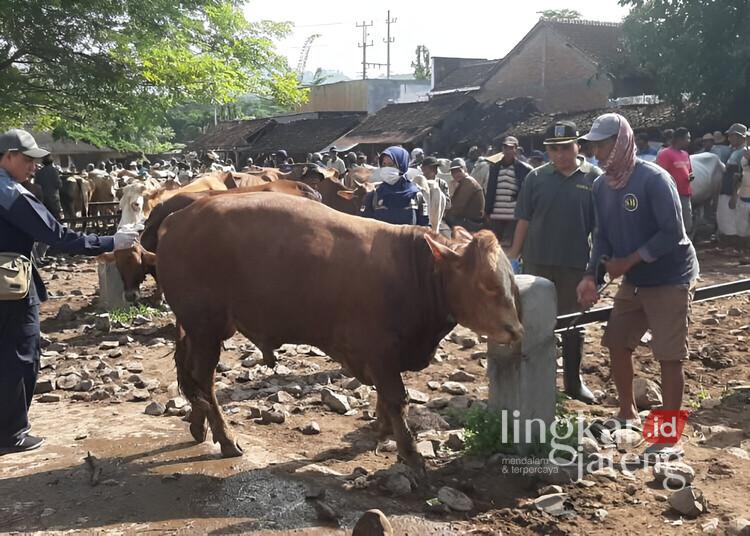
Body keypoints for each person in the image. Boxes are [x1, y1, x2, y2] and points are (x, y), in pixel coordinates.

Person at [577, 113, 698, 459]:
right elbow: (601, 238)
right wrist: (591, 276)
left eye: (603, 145)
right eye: (595, 146)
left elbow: (673, 233)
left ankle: (667, 431)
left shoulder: (654, 180)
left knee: (669, 354)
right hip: (633, 279)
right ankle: (627, 411)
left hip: (670, 277)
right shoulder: (602, 186)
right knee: (617, 342)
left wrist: (627, 263)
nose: (598, 152)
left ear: (622, 142)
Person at [0, 129, 115, 454]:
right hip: (8, 290)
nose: (34, 167)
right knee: (20, 355)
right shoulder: (11, 193)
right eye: (28, 160)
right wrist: (108, 243)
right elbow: (57, 235)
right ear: (8, 156)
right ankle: (11, 435)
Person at [507, 121, 601, 403]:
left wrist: (597, 268)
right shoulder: (536, 178)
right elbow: (523, 218)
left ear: (578, 147)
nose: (560, 154)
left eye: (565, 148)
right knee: (536, 322)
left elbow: (600, 228)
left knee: (573, 324)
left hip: (575, 264)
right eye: (553, 149)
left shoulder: (593, 178)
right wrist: (513, 255)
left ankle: (574, 381)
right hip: (538, 262)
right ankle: (538, 380)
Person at [361, 146, 429, 226]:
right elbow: (364, 226)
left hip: (408, 239)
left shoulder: (416, 195)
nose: (386, 168)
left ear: (402, 165)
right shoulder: (374, 195)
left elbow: (425, 227)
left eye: (391, 164)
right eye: (384, 164)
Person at [484, 136, 532, 246]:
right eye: (506, 147)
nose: (508, 150)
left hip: (514, 215)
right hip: (496, 215)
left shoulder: (524, 169)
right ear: (502, 149)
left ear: (516, 149)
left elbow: (526, 192)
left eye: (511, 148)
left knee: (510, 245)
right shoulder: (494, 168)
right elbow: (490, 189)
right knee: (495, 246)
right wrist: (487, 211)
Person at [656, 127, 694, 235]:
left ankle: (685, 246)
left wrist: (690, 178)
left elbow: (690, 172)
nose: (689, 141)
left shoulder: (685, 154)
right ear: (680, 139)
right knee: (673, 222)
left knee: (687, 222)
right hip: (671, 195)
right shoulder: (665, 154)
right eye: (688, 138)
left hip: (685, 193)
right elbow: (660, 174)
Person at [717, 123, 748, 244]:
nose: (729, 139)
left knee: (732, 219)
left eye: (731, 136)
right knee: (727, 218)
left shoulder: (742, 152)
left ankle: (735, 246)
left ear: (739, 137)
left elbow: (739, 175)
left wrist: (735, 193)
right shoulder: (736, 151)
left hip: (733, 191)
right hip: (729, 190)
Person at [444, 158, 485, 231]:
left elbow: (458, 206)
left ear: (465, 169)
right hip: (468, 220)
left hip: (471, 222)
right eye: (453, 172)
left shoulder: (468, 182)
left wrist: (444, 214)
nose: (456, 174)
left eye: (458, 171)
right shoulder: (463, 182)